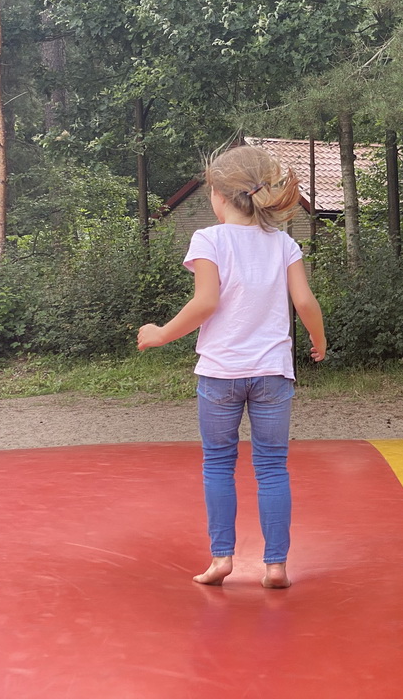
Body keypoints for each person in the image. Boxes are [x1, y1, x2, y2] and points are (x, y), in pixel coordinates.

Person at [137, 145, 326, 589]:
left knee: (219, 465)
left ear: (220, 195)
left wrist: (162, 332)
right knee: (273, 467)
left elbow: (206, 302)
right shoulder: (284, 243)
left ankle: (222, 559)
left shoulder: (210, 239)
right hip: (273, 373)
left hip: (221, 373)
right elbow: (303, 301)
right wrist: (319, 342)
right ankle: (275, 566)